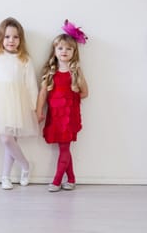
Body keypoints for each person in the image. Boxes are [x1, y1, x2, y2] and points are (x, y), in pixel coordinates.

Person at [0, 17, 39, 190]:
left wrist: (35, 109)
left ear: (21, 40)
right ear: (1, 38)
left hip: (18, 104)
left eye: (16, 37)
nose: (11, 40)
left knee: (10, 140)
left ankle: (6, 176)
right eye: (8, 37)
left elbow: (31, 85)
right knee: (6, 139)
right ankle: (25, 165)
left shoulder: (25, 59)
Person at [36, 20, 89, 192]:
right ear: (55, 51)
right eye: (60, 48)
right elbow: (43, 94)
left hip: (69, 115)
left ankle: (57, 180)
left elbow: (85, 92)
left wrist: (69, 99)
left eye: (68, 48)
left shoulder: (76, 71)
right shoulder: (50, 72)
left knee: (64, 147)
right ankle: (72, 179)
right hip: (54, 115)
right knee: (63, 147)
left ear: (74, 52)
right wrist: (39, 112)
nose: (64, 51)